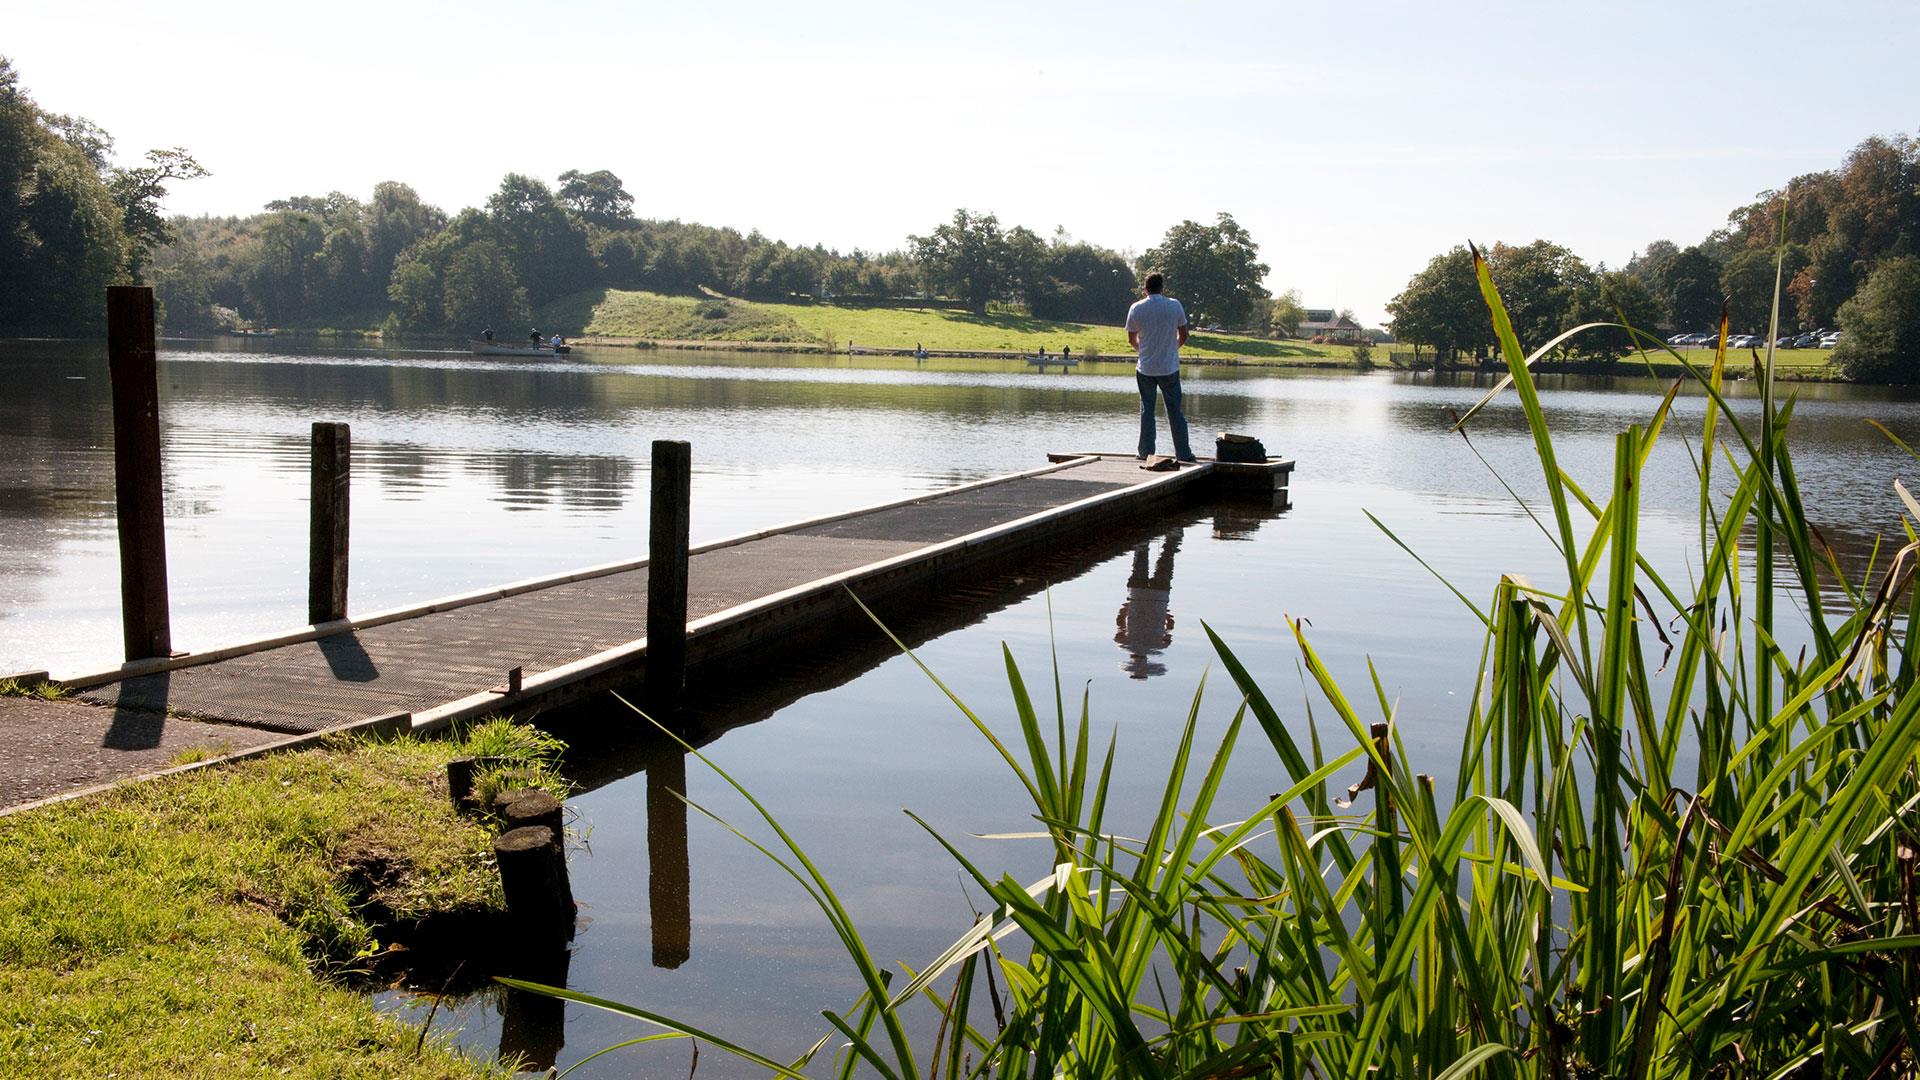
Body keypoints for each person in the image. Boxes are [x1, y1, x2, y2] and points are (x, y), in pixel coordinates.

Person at [1124, 272, 1193, 461]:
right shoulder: (1174, 305)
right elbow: (1184, 334)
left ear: (1145, 289)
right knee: (1175, 411)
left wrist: (1143, 351)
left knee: (1147, 410)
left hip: (1145, 368)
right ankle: (1184, 453)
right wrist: (1172, 349)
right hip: (1169, 367)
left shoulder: (1136, 308)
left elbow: (1131, 338)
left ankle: (1145, 452)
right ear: (1162, 288)